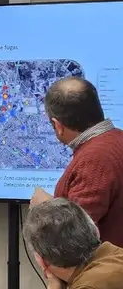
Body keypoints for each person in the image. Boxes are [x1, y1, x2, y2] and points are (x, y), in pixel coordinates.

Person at [31, 76, 123, 247]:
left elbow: (74, 236)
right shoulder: (116, 138)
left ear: (57, 126)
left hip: (106, 270)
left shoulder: (94, 159)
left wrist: (45, 206)